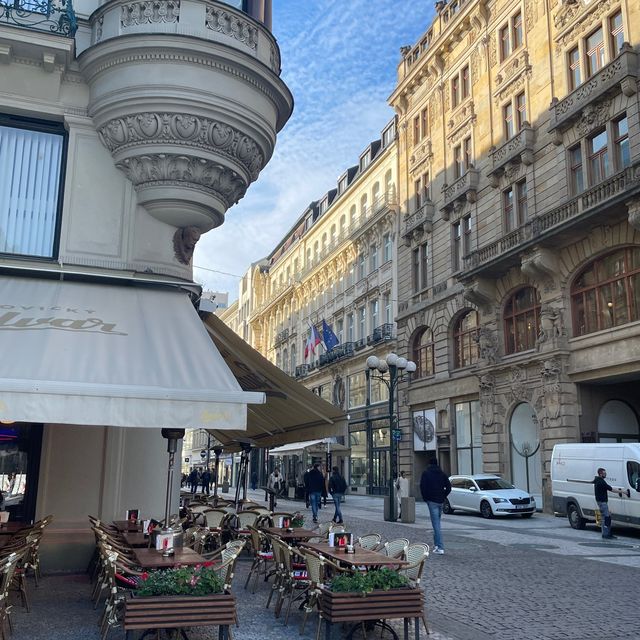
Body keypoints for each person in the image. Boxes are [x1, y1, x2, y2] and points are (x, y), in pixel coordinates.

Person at [420, 457, 451, 555]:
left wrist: (425, 498)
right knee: (436, 523)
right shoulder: (442, 474)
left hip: (431, 501)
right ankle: (437, 545)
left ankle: (440, 547)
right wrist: (443, 495)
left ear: (429, 464)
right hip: (440, 501)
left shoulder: (426, 473)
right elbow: (449, 487)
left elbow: (422, 486)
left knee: (436, 524)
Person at [593, 467, 621, 539]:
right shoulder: (601, 482)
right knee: (607, 518)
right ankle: (606, 534)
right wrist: (622, 492)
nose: (605, 474)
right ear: (600, 474)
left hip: (601, 502)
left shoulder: (597, 480)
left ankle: (606, 533)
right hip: (602, 502)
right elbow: (611, 489)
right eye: (604, 473)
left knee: (605, 518)